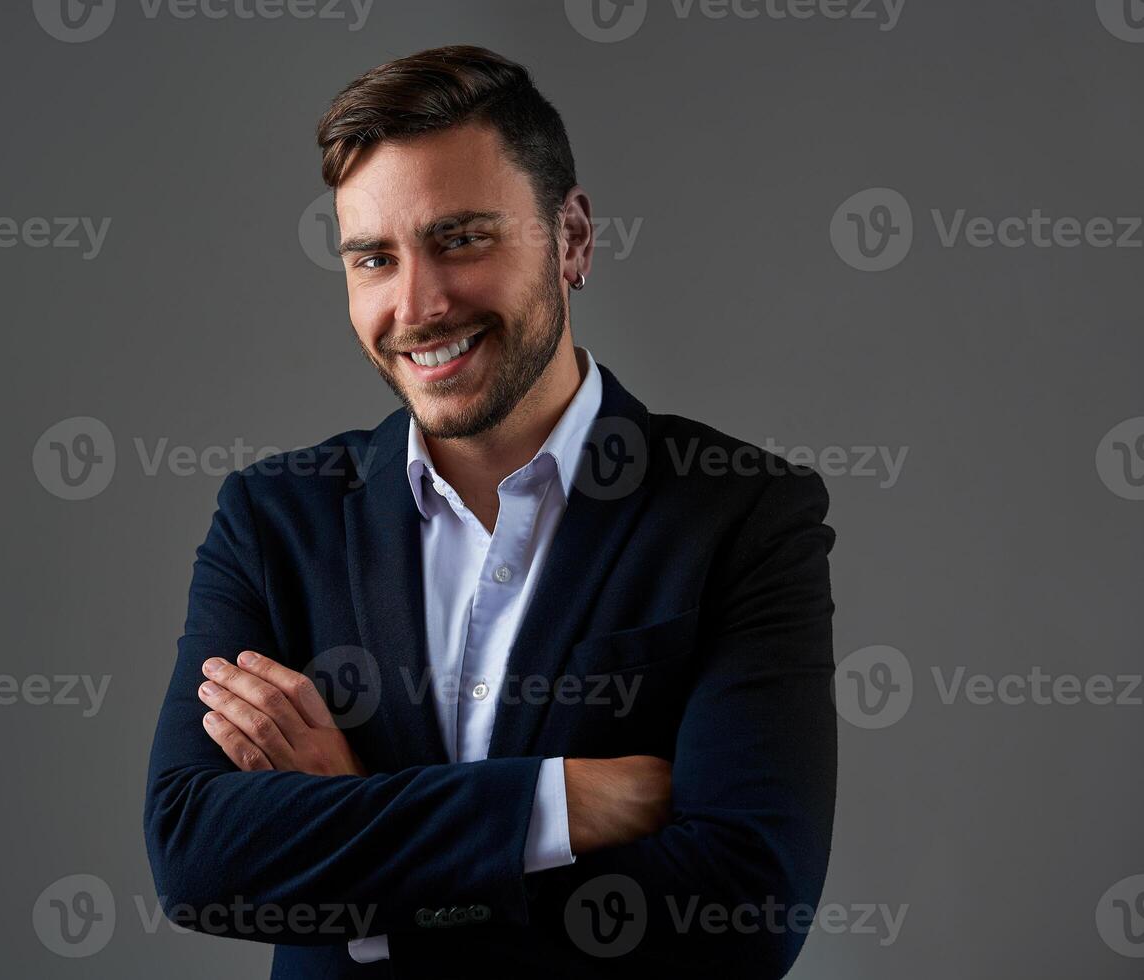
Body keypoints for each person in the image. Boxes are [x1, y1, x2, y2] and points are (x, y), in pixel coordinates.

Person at [144, 44, 837, 979]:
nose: (417, 305)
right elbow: (195, 854)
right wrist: (552, 805)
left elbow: (744, 911)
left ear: (573, 239)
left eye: (461, 239)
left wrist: (359, 821)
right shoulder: (275, 519)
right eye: (374, 259)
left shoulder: (741, 514)